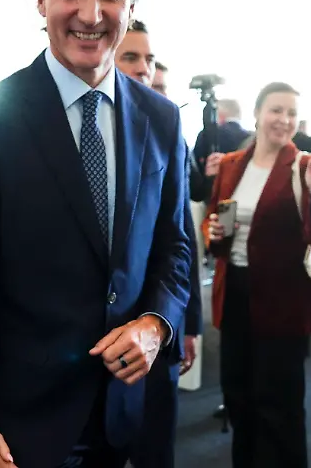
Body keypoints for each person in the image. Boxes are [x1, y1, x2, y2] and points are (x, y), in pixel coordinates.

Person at [0, 0, 191, 468]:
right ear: (41, 1)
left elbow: (175, 247)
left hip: (136, 413)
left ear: (131, 6)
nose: (91, 14)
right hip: (26, 426)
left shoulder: (162, 120)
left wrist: (157, 325)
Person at [203, 82, 311, 468]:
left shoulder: (305, 166)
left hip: (283, 301)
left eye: (292, 113)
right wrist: (215, 234)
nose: (285, 120)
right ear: (257, 113)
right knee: (238, 396)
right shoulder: (230, 165)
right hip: (235, 293)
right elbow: (216, 225)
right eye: (276, 110)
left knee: (280, 406)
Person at [115, 25, 202, 468]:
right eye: (132, 57)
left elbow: (180, 237)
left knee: (155, 451)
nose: (143, 69)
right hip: (97, 340)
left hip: (158, 325)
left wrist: (186, 324)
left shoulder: (168, 129)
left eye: (149, 60)